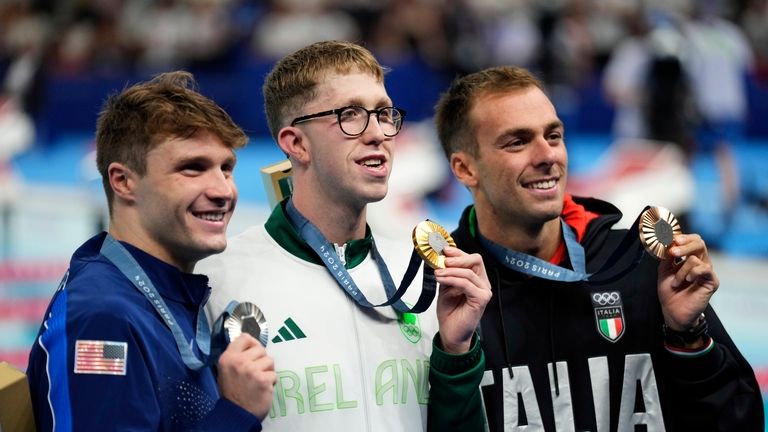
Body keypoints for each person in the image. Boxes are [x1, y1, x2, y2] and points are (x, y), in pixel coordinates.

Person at [433, 65, 764, 431]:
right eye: (517, 141)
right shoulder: (444, 292)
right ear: (465, 169)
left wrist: (688, 338)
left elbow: (739, 420)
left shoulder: (640, 265)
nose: (548, 156)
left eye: (554, 135)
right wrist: (454, 360)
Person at [197, 40, 492, 431]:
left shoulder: (424, 279)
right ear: (296, 143)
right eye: (351, 114)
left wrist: (456, 354)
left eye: (384, 114)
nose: (378, 134)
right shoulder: (216, 279)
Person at [27, 71, 276, 431]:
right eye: (193, 168)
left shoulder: (164, 295)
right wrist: (236, 412)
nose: (223, 190)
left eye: (226, 168)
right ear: (124, 181)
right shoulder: (103, 320)